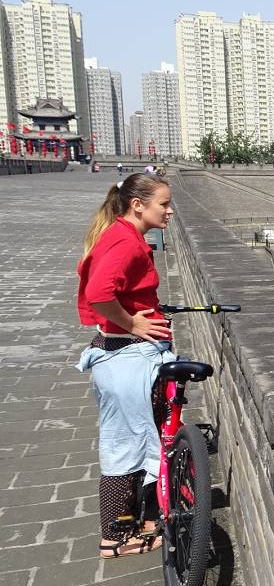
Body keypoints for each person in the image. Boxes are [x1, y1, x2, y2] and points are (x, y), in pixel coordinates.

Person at [75, 173, 175, 559]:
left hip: (126, 353)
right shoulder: (124, 242)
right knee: (124, 445)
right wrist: (132, 322)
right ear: (138, 205)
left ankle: (143, 519)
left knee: (142, 434)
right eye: (163, 204)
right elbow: (99, 294)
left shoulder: (125, 235)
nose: (169, 210)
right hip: (124, 355)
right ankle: (115, 536)